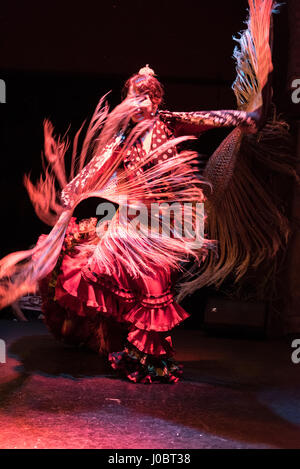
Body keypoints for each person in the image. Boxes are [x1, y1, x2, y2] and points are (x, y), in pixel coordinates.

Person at [0, 0, 294, 383]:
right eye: (136, 94)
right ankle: (133, 350)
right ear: (130, 100)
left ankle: (146, 355)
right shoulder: (124, 136)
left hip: (167, 220)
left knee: (156, 286)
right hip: (136, 219)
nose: (143, 100)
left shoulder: (169, 122)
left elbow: (207, 118)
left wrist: (245, 117)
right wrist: (72, 192)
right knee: (120, 278)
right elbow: (99, 165)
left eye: (149, 94)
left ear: (157, 99)